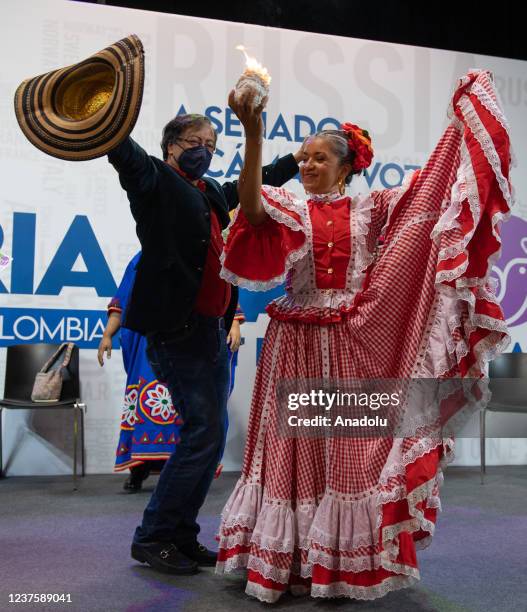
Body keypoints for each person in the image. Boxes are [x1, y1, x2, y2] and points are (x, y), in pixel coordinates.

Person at [215, 70, 512, 601]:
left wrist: (460, 129)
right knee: (293, 449)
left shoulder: (372, 209)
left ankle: (337, 564)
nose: (306, 166)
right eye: (302, 158)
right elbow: (253, 206)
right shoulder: (292, 207)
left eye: (319, 158)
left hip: (348, 344)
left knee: (347, 449)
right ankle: (291, 559)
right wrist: (253, 133)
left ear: (346, 166)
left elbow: (427, 200)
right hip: (296, 345)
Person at [107, 111, 304, 575]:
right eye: (196, 141)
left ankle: (180, 533)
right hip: (179, 331)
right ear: (171, 144)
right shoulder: (153, 179)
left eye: (212, 145)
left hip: (212, 331)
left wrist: (294, 158)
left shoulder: (210, 191)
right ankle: (153, 536)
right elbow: (127, 157)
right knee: (201, 433)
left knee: (209, 439)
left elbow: (253, 182)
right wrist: (109, 124)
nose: (205, 151)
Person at [98, 252, 245, 491]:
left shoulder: (202, 255)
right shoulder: (140, 260)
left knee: (190, 409)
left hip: (191, 339)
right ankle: (139, 468)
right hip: (150, 342)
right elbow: (121, 302)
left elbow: (221, 293)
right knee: (147, 407)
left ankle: (189, 473)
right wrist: (107, 335)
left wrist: (234, 323)